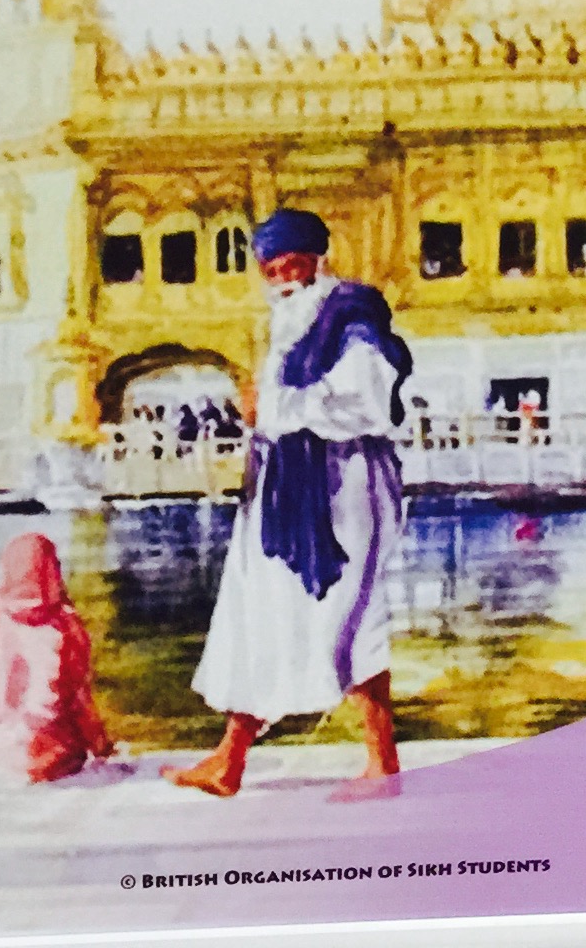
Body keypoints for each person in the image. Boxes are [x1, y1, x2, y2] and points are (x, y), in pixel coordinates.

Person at [172, 207, 411, 798]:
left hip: (342, 488)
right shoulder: (286, 319)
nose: (281, 276)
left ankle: (381, 763)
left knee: (347, 623)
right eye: (270, 267)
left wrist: (273, 410)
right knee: (254, 613)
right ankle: (230, 759)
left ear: (316, 259)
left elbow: (369, 403)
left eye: (290, 263)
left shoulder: (352, 312)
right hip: (282, 493)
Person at [0, 531, 116, 784]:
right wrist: (101, 746)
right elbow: (77, 697)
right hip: (41, 753)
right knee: (65, 739)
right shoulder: (62, 625)